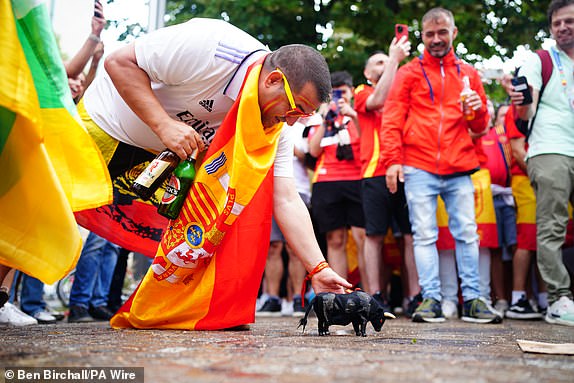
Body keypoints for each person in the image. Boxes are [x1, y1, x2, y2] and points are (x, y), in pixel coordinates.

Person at [80, 18, 350, 329]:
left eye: (303, 115)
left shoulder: (275, 128)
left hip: (166, 163)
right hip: (109, 125)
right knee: (44, 205)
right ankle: (7, 292)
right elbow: (119, 62)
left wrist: (317, 268)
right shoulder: (212, 45)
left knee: (196, 233)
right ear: (273, 80)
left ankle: (169, 307)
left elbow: (287, 198)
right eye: (295, 108)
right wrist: (164, 125)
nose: (291, 122)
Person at [382, 7, 501, 324]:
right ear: (422, 36)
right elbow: (392, 119)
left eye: (442, 32)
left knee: (466, 234)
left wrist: (477, 110)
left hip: (460, 164)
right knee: (424, 235)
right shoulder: (408, 73)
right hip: (419, 165)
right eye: (430, 34)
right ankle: (431, 299)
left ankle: (474, 299)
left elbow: (480, 125)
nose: (436, 39)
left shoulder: (469, 74)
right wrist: (392, 161)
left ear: (454, 32)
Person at [501, 0, 574, 326]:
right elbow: (525, 103)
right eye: (557, 23)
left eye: (570, 21)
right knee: (552, 226)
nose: (563, 27)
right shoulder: (540, 60)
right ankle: (558, 299)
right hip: (550, 150)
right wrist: (521, 100)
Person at [354, 40, 419, 315]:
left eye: (387, 60)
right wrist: (394, 58)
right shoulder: (361, 90)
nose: (385, 64)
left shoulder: (406, 93)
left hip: (408, 170)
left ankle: (415, 296)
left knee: (410, 236)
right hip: (374, 172)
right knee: (375, 236)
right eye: (378, 62)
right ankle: (375, 295)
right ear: (368, 74)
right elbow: (377, 100)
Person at [308, 71, 366, 286]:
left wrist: (352, 114)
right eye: (334, 93)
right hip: (327, 181)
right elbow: (313, 151)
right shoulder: (323, 116)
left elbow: (368, 139)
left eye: (343, 92)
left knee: (363, 238)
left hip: (357, 179)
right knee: (335, 239)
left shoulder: (358, 113)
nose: (339, 97)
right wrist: (326, 119)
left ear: (351, 91)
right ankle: (340, 293)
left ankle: (369, 293)